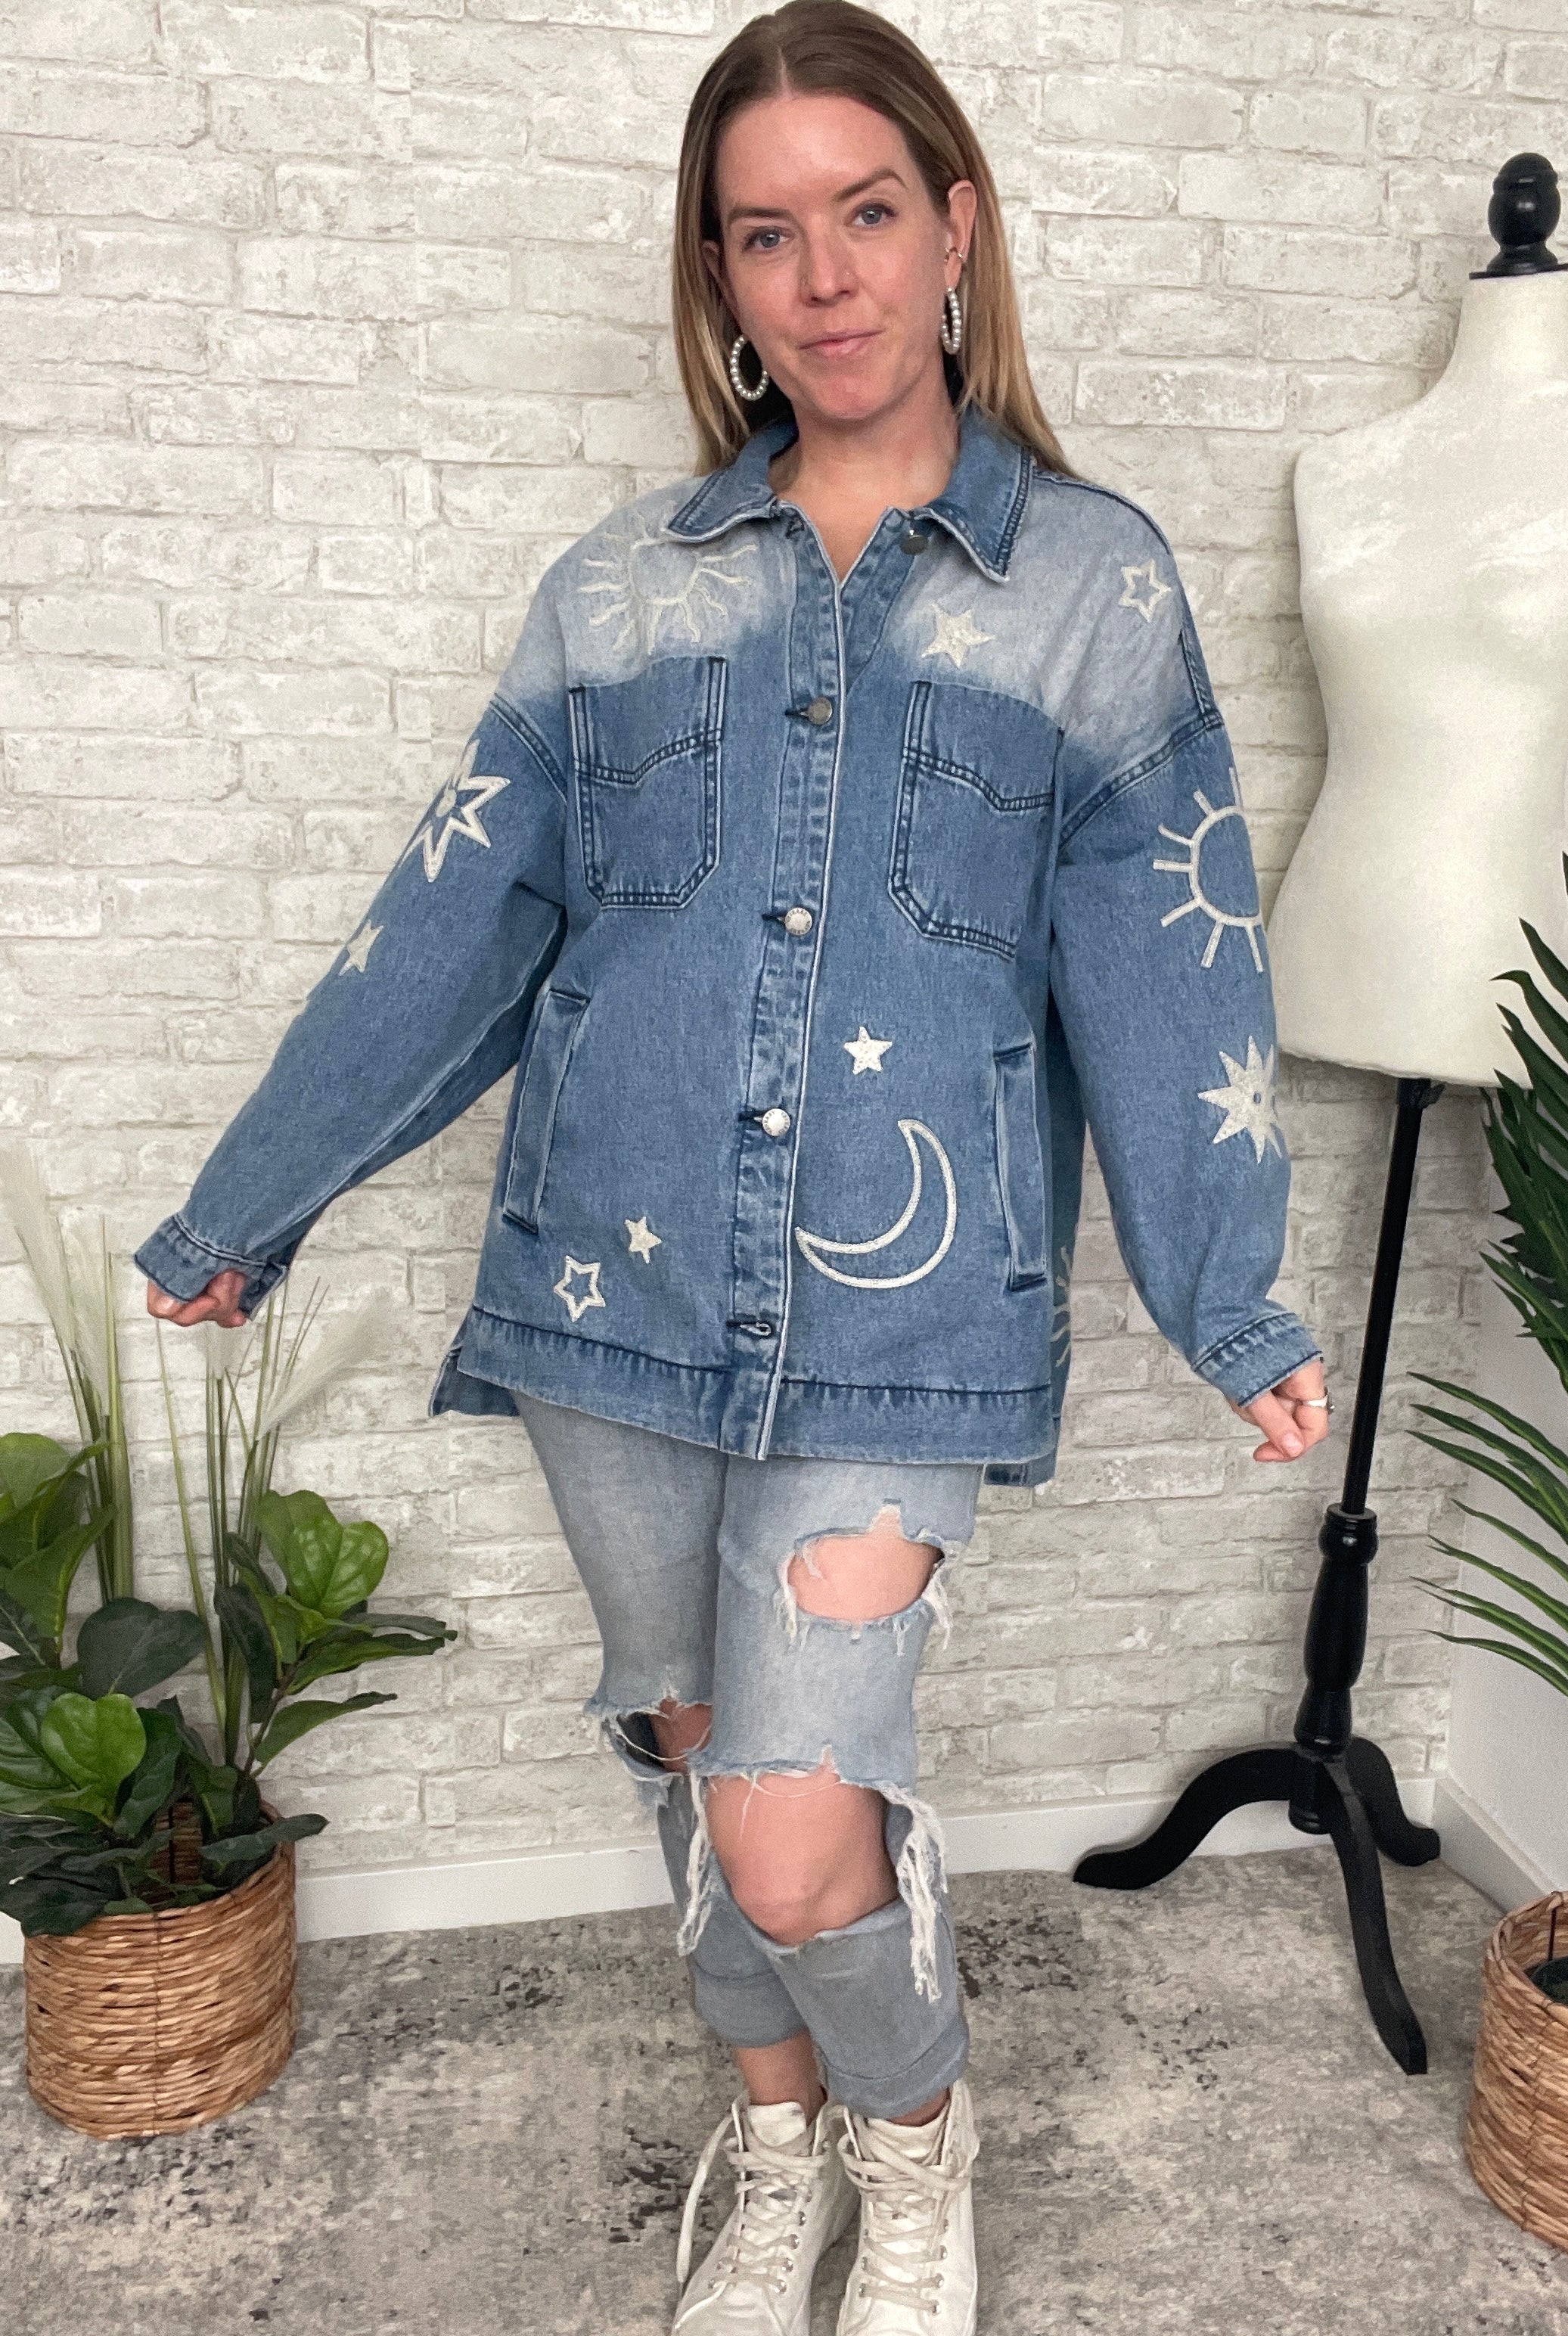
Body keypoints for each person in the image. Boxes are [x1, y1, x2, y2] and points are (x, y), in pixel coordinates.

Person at [138, 6, 1330, 2329]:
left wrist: (1231, 1298)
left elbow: (1172, 966)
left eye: (866, 212)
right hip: (613, 1290)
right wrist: (249, 1201)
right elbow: (455, 926)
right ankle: (778, 2145)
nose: (824, 275)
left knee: (794, 1835)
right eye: (763, 233)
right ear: (718, 274)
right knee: (698, 1773)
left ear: (955, 227)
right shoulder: (620, 591)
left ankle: (915, 2142)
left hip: (904, 1323)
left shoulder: (1089, 587)